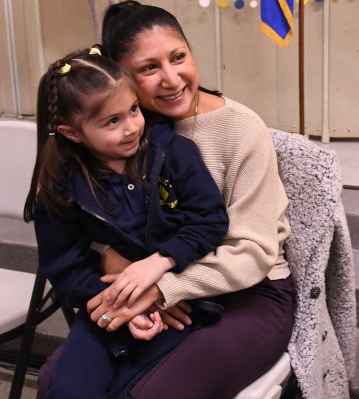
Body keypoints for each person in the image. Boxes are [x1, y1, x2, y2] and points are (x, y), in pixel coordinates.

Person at [36, 1, 296, 398]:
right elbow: (78, 229)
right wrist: (111, 258)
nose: (172, 79)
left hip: (245, 290)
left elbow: (253, 253)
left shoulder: (238, 130)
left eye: (178, 57)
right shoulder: (122, 132)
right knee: (57, 383)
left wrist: (159, 289)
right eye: (149, 68)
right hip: (145, 285)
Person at [25, 46, 229, 398]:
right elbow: (65, 266)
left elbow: (210, 220)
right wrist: (123, 305)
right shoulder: (61, 187)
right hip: (110, 307)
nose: (132, 127)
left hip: (181, 302)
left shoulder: (173, 153)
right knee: (70, 389)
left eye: (133, 110)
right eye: (112, 122)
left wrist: (161, 263)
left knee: (140, 389)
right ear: (72, 133)